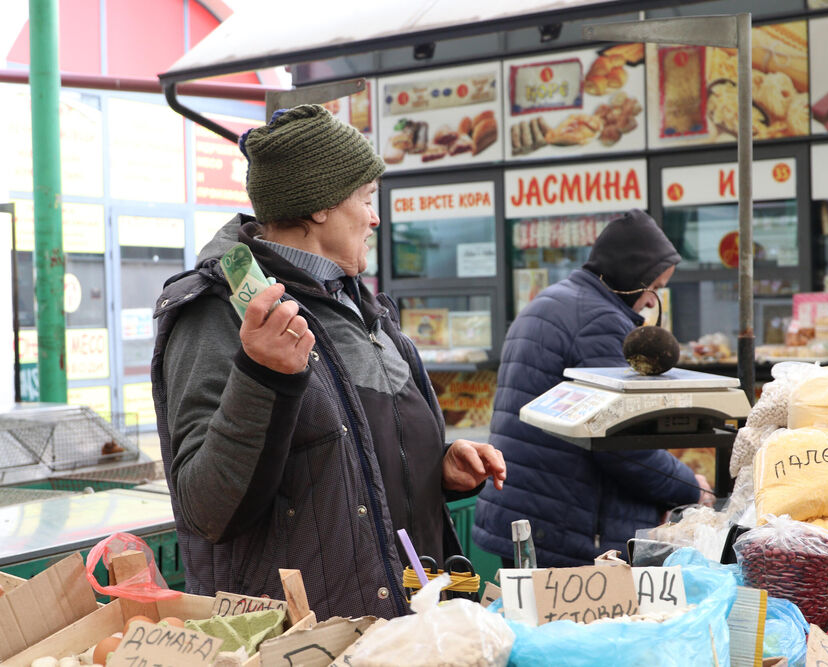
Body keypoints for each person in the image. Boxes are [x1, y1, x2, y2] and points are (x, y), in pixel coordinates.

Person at [151, 105, 506, 621]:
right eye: (366, 199)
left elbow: (346, 455)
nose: (376, 217)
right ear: (319, 208)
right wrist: (262, 374)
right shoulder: (218, 311)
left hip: (415, 621)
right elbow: (207, 510)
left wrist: (437, 467)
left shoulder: (359, 302)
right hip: (314, 639)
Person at [472, 209, 712, 567]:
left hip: (531, 517)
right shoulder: (599, 322)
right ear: (633, 276)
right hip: (568, 527)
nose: (650, 303)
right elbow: (621, 443)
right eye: (654, 289)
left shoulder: (552, 301)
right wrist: (691, 487)